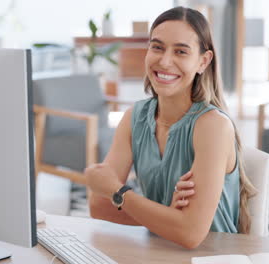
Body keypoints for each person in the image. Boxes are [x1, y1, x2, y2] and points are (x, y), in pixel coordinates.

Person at [85, 6, 256, 249]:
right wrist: (167, 216)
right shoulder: (135, 118)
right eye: (157, 47)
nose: (165, 61)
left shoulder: (213, 126)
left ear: (203, 61)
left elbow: (190, 234)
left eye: (181, 51)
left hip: (213, 257)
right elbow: (99, 206)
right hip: (161, 252)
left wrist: (119, 192)